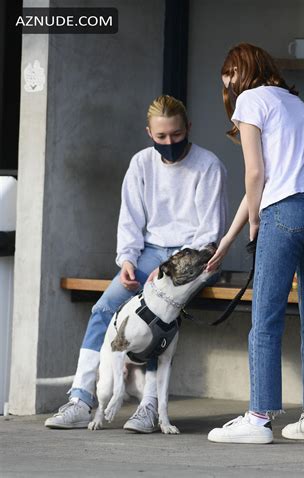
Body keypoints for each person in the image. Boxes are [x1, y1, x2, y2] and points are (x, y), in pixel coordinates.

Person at [45, 95, 228, 432]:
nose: (169, 143)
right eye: (161, 137)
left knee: (161, 318)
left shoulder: (208, 165)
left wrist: (170, 268)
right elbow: (130, 220)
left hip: (191, 258)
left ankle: (149, 408)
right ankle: (81, 399)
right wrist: (127, 260)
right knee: (105, 308)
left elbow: (208, 234)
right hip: (150, 252)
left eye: (176, 134)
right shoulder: (142, 164)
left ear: (188, 128)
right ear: (149, 133)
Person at [206, 43, 304, 444]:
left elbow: (256, 175)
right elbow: (270, 183)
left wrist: (254, 220)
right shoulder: (297, 104)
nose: (227, 85)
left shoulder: (249, 100)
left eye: (228, 76)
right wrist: (231, 236)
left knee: (265, 317)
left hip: (287, 212)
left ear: (239, 72)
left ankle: (259, 417)